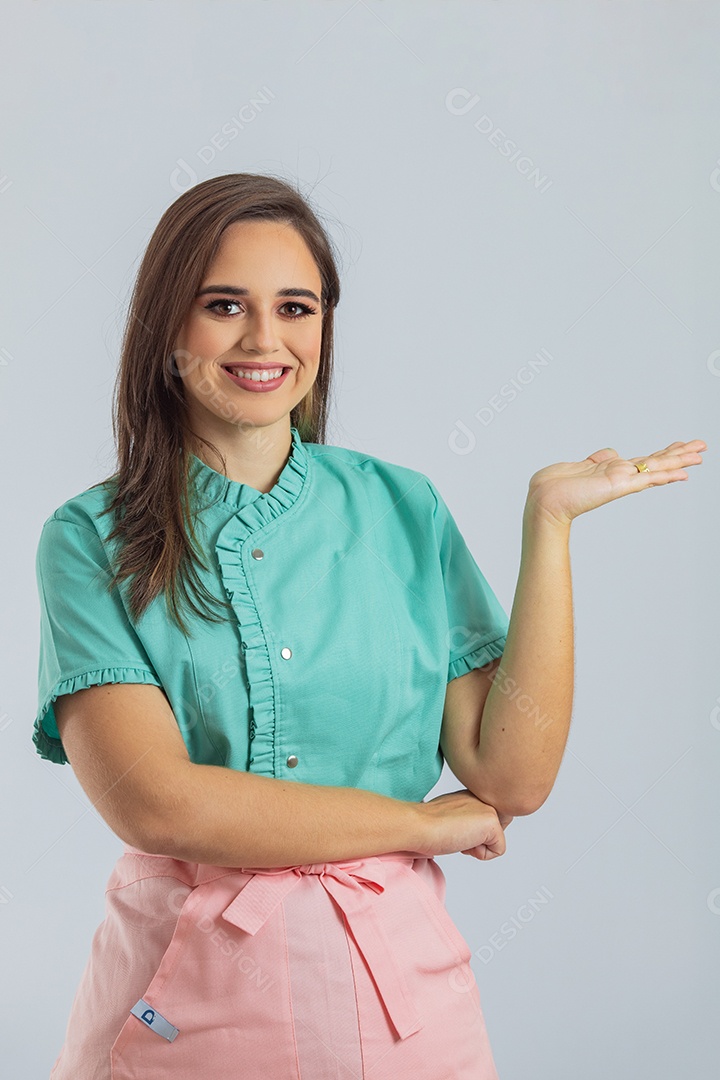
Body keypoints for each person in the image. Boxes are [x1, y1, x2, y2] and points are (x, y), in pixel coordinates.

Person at [32, 172, 706, 1080]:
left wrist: (548, 526)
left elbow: (509, 773)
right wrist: (420, 826)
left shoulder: (404, 508)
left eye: (296, 307)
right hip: (179, 1005)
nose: (265, 339)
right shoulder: (89, 539)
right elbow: (158, 800)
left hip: (399, 1001)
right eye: (224, 304)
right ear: (166, 326)